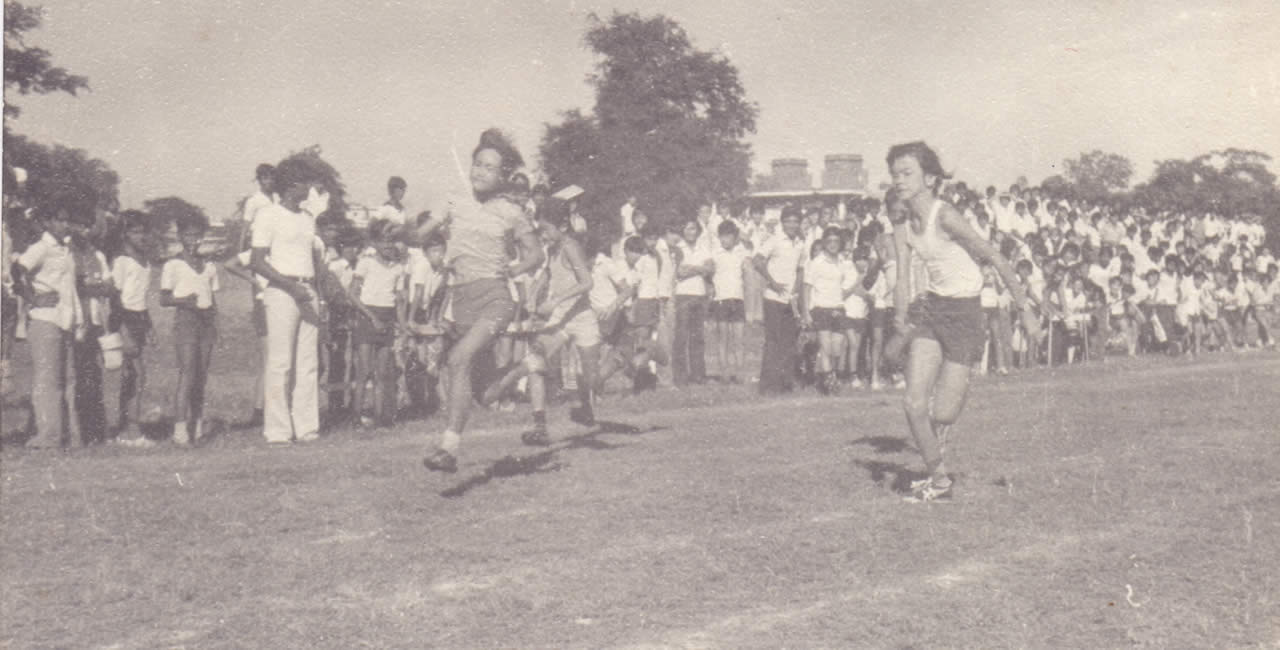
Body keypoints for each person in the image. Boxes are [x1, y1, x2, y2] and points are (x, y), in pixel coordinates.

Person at [886, 142, 1037, 502]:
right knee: (913, 403)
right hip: (933, 311)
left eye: (907, 173)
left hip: (967, 316)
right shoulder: (902, 223)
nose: (899, 180)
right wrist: (901, 318)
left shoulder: (947, 216)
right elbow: (904, 278)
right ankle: (939, 480)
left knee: (944, 413)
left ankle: (939, 448)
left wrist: (1025, 308)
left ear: (930, 178)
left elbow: (996, 257)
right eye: (895, 174)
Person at [421, 129, 545, 473]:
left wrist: (516, 266)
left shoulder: (511, 212)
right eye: (477, 164)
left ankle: (448, 449)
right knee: (486, 394)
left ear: (502, 175)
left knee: (458, 359)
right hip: (461, 302)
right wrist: (392, 231)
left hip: (496, 298)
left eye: (489, 167)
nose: (479, 171)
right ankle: (528, 366)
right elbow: (417, 235)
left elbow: (535, 255)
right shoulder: (454, 201)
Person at [481, 198, 598, 445]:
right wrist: (531, 292)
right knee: (536, 358)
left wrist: (555, 302)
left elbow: (587, 282)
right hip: (561, 321)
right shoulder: (553, 248)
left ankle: (587, 400)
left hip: (582, 318)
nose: (543, 235)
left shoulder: (570, 246)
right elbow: (547, 273)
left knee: (593, 379)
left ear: (563, 226)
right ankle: (539, 426)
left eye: (546, 229)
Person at [249, 155, 333, 445]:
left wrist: (315, 296)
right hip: (282, 292)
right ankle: (278, 432)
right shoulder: (267, 215)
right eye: (306, 183)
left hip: (308, 291)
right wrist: (289, 286)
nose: (310, 189)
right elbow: (257, 262)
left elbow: (313, 261)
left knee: (308, 364)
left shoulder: (308, 218)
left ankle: (307, 429)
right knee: (280, 363)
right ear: (292, 185)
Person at [17, 196, 84, 449]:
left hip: (64, 321)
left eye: (68, 220)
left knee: (68, 380)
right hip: (45, 320)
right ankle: (48, 437)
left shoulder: (65, 249)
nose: (65, 225)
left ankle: (71, 437)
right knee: (48, 381)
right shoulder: (41, 248)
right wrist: (33, 297)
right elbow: (17, 271)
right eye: (60, 220)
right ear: (47, 222)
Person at [159, 213, 220, 445]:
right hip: (186, 320)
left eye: (197, 235)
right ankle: (180, 428)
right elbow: (164, 299)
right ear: (180, 236)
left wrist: (217, 326)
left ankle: (197, 424)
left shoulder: (209, 266)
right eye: (188, 235)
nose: (193, 240)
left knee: (201, 375)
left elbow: (213, 300)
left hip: (206, 322)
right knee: (187, 373)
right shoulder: (173, 265)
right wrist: (184, 301)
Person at [347, 220, 408, 428]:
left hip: (387, 317)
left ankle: (381, 417)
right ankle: (356, 417)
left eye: (391, 241)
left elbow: (399, 301)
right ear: (374, 243)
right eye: (383, 241)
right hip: (367, 317)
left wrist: (403, 326)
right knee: (364, 371)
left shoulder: (398, 268)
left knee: (383, 372)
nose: (388, 246)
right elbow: (352, 294)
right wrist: (371, 317)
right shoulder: (366, 262)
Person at [109, 210, 156, 446]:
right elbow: (116, 298)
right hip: (124, 320)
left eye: (143, 232)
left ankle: (128, 427)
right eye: (135, 232)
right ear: (125, 234)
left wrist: (148, 326)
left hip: (138, 319)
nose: (141, 237)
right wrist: (124, 331)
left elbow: (141, 299)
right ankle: (130, 430)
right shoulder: (121, 261)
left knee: (136, 376)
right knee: (133, 376)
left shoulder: (145, 262)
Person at [753, 206, 806, 394]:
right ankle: (768, 385)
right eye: (788, 221)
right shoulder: (774, 240)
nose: (792, 225)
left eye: (795, 221)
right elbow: (757, 261)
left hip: (790, 300)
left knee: (789, 342)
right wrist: (772, 282)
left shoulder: (800, 243)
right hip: (773, 299)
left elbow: (800, 269)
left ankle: (784, 383)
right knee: (773, 341)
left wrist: (796, 290)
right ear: (782, 222)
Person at [70, 215, 113, 444]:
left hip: (95, 324)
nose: (85, 230)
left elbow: (108, 287)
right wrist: (92, 287)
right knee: (74, 377)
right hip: (74, 322)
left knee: (92, 376)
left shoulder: (98, 256)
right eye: (81, 224)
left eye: (89, 225)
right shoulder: (67, 253)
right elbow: (73, 287)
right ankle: (78, 431)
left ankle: (95, 431)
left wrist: (88, 286)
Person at [803, 226, 850, 394]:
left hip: (838, 308)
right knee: (826, 348)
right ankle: (830, 385)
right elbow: (807, 288)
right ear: (824, 243)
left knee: (837, 349)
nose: (833, 244)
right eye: (829, 241)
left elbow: (844, 285)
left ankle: (828, 376)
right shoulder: (816, 262)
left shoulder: (842, 262)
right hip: (820, 308)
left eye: (836, 241)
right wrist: (807, 312)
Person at [672, 219, 713, 386]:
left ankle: (698, 375)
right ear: (683, 230)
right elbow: (679, 273)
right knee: (681, 337)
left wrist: (691, 268)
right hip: (683, 295)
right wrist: (699, 269)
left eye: (694, 229)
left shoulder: (704, 248)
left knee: (698, 338)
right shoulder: (677, 248)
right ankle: (681, 378)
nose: (691, 232)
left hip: (700, 294)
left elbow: (710, 269)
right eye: (688, 229)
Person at [709, 220, 749, 383]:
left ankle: (739, 373)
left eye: (729, 236)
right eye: (722, 236)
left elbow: (746, 274)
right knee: (723, 338)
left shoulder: (741, 252)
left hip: (737, 299)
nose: (725, 240)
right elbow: (708, 276)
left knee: (738, 339)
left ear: (735, 237)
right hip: (721, 300)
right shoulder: (715, 254)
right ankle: (724, 373)